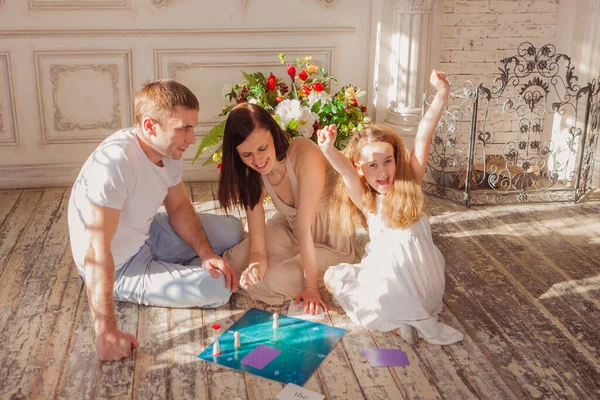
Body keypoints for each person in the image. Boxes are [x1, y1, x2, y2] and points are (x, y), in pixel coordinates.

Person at [68, 80, 244, 361]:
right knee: (218, 288)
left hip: (147, 231)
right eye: (184, 128)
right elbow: (96, 252)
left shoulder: (168, 150)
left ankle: (184, 264)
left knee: (234, 229)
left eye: (193, 127)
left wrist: (206, 253)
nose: (192, 138)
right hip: (121, 265)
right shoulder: (115, 165)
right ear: (150, 126)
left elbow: (179, 207)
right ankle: (173, 272)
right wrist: (107, 334)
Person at [318, 70, 463, 345]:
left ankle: (394, 326)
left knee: (334, 278)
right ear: (361, 170)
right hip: (430, 290)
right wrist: (329, 151)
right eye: (373, 165)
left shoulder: (401, 187)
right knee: (363, 273)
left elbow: (423, 135)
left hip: (409, 288)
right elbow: (421, 136)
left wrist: (442, 93)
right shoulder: (379, 196)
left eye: (388, 161)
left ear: (397, 160)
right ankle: (406, 320)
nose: (383, 172)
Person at [218, 103, 355, 314]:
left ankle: (298, 274)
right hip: (290, 230)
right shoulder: (252, 178)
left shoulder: (302, 152)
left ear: (273, 134)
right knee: (234, 260)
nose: (257, 160)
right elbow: (257, 251)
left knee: (274, 280)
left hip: (330, 241)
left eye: (262, 148)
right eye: (247, 155)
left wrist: (311, 287)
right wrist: (256, 267)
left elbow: (303, 226)